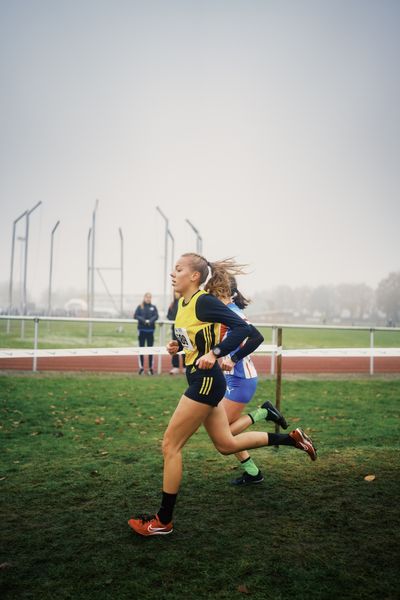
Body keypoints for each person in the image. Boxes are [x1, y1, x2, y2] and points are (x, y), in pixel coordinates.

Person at [128, 253, 317, 537]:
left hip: (206, 381)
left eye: (178, 269)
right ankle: (290, 439)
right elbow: (192, 339)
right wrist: (177, 347)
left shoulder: (204, 300)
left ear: (194, 276)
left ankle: (163, 521)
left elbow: (245, 330)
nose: (172, 273)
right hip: (201, 378)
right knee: (226, 444)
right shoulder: (183, 304)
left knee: (170, 445)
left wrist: (216, 353)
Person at [215, 275, 288, 486]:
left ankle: (263, 413)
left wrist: (234, 358)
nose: (212, 293)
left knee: (224, 434)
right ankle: (253, 473)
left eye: (216, 290)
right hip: (230, 379)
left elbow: (257, 337)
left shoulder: (234, 313)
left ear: (227, 293)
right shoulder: (221, 313)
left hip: (241, 380)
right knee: (224, 432)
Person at [133, 293, 159, 375]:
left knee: (150, 350)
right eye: (147, 297)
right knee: (141, 349)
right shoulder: (140, 307)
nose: (148, 299)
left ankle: (150, 368)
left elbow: (156, 316)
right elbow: (135, 315)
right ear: (144, 298)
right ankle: (141, 368)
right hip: (141, 330)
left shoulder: (153, 307)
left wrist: (150, 321)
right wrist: (143, 321)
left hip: (150, 331)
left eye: (149, 297)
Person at [167, 291, 185, 374]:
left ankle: (185, 367)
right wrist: (173, 320)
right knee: (174, 346)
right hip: (174, 328)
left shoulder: (184, 302)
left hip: (183, 329)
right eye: (175, 293)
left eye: (177, 292)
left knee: (185, 346)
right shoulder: (172, 304)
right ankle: (175, 367)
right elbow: (169, 315)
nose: (176, 294)